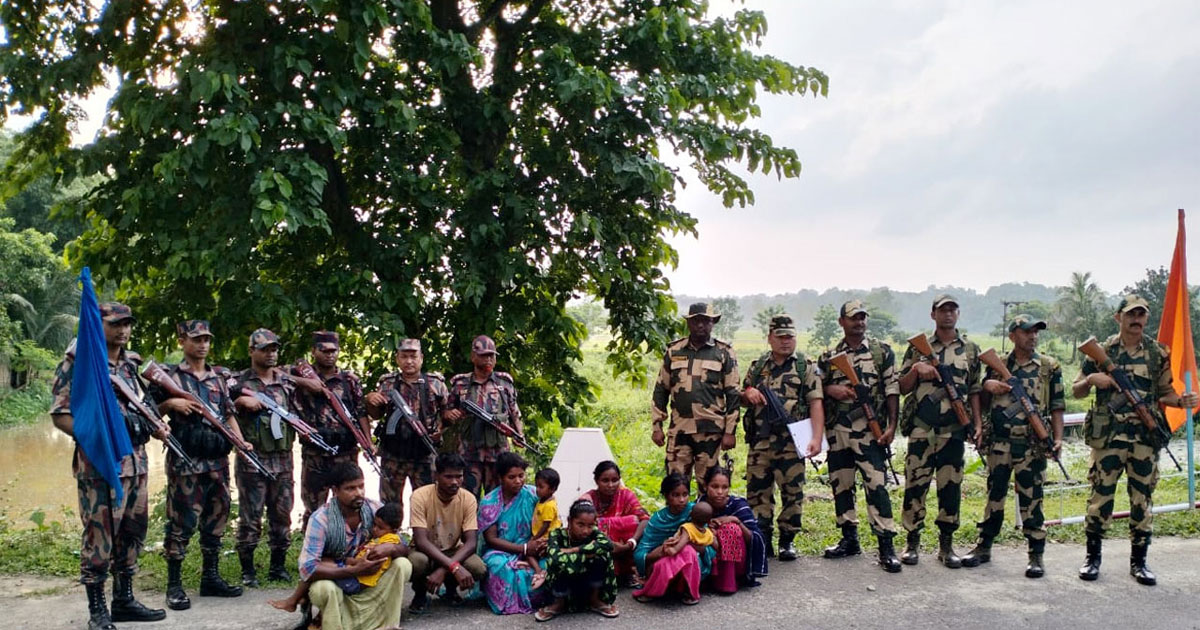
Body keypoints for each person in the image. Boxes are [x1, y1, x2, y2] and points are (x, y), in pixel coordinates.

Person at [49, 302, 167, 630]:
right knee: (99, 537)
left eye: (127, 324)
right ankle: (97, 609)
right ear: (96, 324)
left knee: (133, 532)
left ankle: (124, 600)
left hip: (137, 463)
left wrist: (156, 423)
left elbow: (141, 408)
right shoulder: (80, 363)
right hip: (100, 465)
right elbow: (60, 415)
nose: (123, 330)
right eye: (115, 323)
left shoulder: (130, 366)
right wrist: (95, 436)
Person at [1073, 295, 1197, 586]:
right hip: (1109, 439)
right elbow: (1077, 390)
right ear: (1119, 318)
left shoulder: (1157, 353)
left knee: (1142, 499)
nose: (1137, 319)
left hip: (1144, 439)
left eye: (1142, 314)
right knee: (1100, 497)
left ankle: (1139, 562)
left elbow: (1164, 392)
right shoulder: (1101, 351)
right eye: (1131, 314)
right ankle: (1092, 559)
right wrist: (1093, 380)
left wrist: (1182, 401)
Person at [148, 319, 245, 609]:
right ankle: (174, 585)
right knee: (181, 523)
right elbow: (147, 412)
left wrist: (241, 443)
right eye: (196, 339)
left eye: (206, 339)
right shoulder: (169, 376)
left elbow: (228, 414)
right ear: (182, 341)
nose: (203, 344)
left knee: (217, 519)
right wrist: (170, 405)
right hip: (186, 461)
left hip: (217, 460)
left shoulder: (217, 378)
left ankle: (210, 578)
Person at [962, 315, 1065, 578]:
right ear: (1012, 336)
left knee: (1032, 500)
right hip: (999, 443)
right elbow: (981, 398)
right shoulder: (998, 365)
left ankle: (1036, 555)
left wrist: (1058, 438)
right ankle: (984, 547)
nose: (1032, 336)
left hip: (1031, 445)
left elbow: (1057, 406)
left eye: (1035, 332)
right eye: (1026, 332)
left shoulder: (1048, 367)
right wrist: (988, 385)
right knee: (994, 497)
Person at [897, 295, 982, 569]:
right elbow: (902, 386)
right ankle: (912, 543)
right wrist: (916, 368)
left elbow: (975, 390)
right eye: (942, 310)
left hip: (953, 432)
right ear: (933, 314)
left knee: (950, 488)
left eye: (952, 310)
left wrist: (977, 424)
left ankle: (947, 546)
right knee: (915, 486)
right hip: (922, 430)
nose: (948, 314)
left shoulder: (970, 349)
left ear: (958, 314)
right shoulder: (917, 347)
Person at [817, 300, 903, 572]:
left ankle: (886, 547)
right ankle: (849, 539)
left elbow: (892, 390)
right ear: (842, 321)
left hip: (870, 433)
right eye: (854, 318)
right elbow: (814, 389)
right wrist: (832, 389)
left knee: (876, 486)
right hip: (838, 432)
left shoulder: (881, 353)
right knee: (841, 486)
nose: (860, 322)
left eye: (863, 317)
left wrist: (891, 427)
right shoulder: (829, 356)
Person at [740, 314, 824, 560]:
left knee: (793, 493)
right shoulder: (758, 367)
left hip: (791, 443)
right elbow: (742, 395)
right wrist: (749, 392)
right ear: (770, 338)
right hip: (760, 442)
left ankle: (787, 540)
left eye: (790, 337)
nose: (786, 342)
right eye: (780, 337)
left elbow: (815, 403)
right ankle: (762, 538)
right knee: (758, 493)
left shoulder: (804, 367)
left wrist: (817, 438)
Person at [296, 463, 411, 630]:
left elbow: (404, 546)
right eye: (350, 488)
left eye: (361, 486)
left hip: (367, 579)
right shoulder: (320, 520)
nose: (359, 493)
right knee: (323, 589)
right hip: (339, 577)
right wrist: (354, 570)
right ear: (335, 491)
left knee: (403, 564)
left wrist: (391, 548)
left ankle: (387, 624)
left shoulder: (374, 508)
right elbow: (308, 568)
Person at [229, 328, 301, 586]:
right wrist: (239, 403)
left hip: (283, 459)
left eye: (274, 349)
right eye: (265, 349)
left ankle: (278, 567)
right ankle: (248, 571)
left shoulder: (286, 384)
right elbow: (221, 414)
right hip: (253, 459)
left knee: (282, 513)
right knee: (250, 516)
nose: (271, 354)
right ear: (251, 351)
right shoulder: (237, 383)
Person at [651, 302, 741, 492]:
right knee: (676, 485)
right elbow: (661, 390)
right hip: (680, 430)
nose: (700, 325)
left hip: (711, 431)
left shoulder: (724, 352)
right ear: (689, 323)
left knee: (708, 485)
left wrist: (730, 432)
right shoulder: (674, 351)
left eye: (705, 321)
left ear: (712, 323)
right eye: (696, 321)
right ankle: (678, 522)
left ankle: (706, 521)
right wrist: (656, 426)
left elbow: (733, 393)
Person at [292, 331, 370, 530]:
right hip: (315, 455)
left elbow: (361, 412)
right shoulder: (299, 374)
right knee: (313, 508)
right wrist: (307, 382)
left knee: (348, 505)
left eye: (333, 351)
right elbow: (275, 376)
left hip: (345, 453)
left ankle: (346, 548)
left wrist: (368, 442)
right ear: (313, 351)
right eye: (324, 350)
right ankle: (312, 554)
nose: (329, 354)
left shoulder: (349, 380)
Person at [364, 339, 450, 517]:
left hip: (424, 454)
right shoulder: (387, 383)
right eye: (404, 356)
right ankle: (390, 540)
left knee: (427, 504)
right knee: (389, 505)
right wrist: (371, 399)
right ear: (397, 358)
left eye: (413, 356)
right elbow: (376, 415)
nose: (409, 361)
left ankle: (422, 541)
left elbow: (447, 414)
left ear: (421, 358)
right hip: (393, 455)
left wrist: (439, 431)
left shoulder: (435, 384)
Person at [269, 502, 403, 612]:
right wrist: (349, 561)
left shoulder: (388, 542)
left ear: (394, 530)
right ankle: (300, 598)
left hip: (356, 583)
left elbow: (368, 565)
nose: (374, 529)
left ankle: (295, 600)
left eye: (380, 527)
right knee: (318, 564)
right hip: (356, 574)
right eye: (374, 525)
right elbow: (361, 562)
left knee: (316, 569)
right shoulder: (381, 539)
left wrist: (350, 564)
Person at [407, 453, 487, 614]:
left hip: (452, 549)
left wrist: (447, 569)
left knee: (478, 568)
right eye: (448, 477)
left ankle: (451, 589)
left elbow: (471, 543)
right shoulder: (420, 496)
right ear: (436, 476)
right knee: (417, 562)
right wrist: (454, 567)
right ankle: (420, 593)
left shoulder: (468, 499)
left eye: (459, 476)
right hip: (426, 550)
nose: (455, 482)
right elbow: (421, 541)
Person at [444, 335, 524, 493]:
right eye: (483, 355)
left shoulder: (504, 383)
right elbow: (446, 412)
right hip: (469, 453)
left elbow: (514, 412)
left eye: (491, 355)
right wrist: (450, 414)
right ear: (473, 357)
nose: (488, 359)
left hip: (498, 453)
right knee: (467, 498)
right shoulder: (460, 384)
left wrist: (519, 434)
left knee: (497, 498)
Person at [478, 452, 547, 615]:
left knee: (550, 564)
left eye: (521, 475)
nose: (518, 481)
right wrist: (523, 549)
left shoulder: (533, 495)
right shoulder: (490, 502)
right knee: (500, 567)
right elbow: (491, 539)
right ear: (500, 477)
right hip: (501, 551)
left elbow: (549, 520)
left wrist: (540, 544)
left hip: (533, 546)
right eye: (512, 477)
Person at [632, 473, 714, 606]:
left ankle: (688, 590)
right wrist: (661, 551)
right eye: (675, 495)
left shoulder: (695, 513)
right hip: (662, 561)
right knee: (669, 561)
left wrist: (686, 543)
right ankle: (656, 589)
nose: (682, 500)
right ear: (666, 496)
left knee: (687, 551)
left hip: (690, 564)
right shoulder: (658, 520)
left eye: (685, 494)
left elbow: (708, 544)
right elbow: (640, 555)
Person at [534, 500, 620, 622]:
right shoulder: (557, 535)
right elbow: (556, 559)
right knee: (558, 563)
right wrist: (587, 555)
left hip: (587, 581)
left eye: (590, 526)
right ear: (569, 521)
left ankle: (594, 600)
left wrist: (573, 550)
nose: (585, 530)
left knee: (603, 557)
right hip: (564, 582)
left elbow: (608, 544)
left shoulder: (594, 533)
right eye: (580, 525)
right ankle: (559, 603)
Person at [577, 461, 650, 587]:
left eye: (615, 480)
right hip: (600, 549)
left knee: (636, 522)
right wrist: (609, 543)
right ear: (596, 481)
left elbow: (645, 519)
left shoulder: (626, 495)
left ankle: (627, 572)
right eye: (605, 480)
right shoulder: (587, 500)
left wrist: (630, 543)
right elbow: (578, 527)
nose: (610, 485)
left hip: (626, 548)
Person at [698, 465, 768, 592]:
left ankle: (728, 582)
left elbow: (756, 538)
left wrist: (736, 521)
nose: (720, 492)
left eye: (724, 487)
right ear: (705, 486)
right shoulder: (700, 506)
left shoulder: (738, 505)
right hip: (710, 557)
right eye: (715, 487)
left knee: (730, 529)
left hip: (738, 562)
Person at [532, 468, 562, 540]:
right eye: (536, 486)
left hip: (547, 538)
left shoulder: (549, 505)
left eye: (541, 487)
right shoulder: (542, 500)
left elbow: (545, 526)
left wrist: (535, 538)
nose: (537, 489)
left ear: (552, 489)